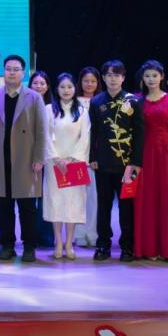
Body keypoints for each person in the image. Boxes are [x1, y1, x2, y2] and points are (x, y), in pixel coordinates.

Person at [0, 55, 49, 263]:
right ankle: (7, 244)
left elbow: (41, 131)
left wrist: (39, 157)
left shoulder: (34, 97)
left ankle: (29, 246)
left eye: (16, 69)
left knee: (27, 206)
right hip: (0, 157)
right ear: (4, 71)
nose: (12, 73)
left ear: (23, 73)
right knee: (4, 205)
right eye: (8, 69)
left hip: (25, 157)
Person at [89, 60, 144, 262]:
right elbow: (92, 133)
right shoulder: (96, 102)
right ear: (103, 78)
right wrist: (92, 157)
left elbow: (139, 134)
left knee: (126, 207)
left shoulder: (133, 101)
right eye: (109, 75)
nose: (113, 79)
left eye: (117, 75)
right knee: (103, 206)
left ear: (123, 77)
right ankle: (103, 244)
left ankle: (127, 246)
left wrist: (136, 162)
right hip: (102, 163)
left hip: (127, 165)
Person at [132, 60, 168, 261]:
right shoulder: (137, 100)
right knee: (146, 199)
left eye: (154, 75)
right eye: (147, 76)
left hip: (164, 153)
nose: (151, 79)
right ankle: (148, 248)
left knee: (165, 197)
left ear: (162, 77)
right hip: (145, 153)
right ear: (143, 78)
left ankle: (166, 248)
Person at [43, 73, 91, 260]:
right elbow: (45, 136)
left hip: (74, 164)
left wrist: (72, 159)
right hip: (54, 164)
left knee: (73, 203)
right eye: (62, 87)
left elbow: (85, 137)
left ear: (75, 88)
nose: (66, 90)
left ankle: (69, 243)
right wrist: (56, 158)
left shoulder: (82, 111)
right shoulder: (48, 109)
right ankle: (58, 242)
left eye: (69, 87)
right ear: (56, 89)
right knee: (55, 202)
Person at [73, 66, 102, 249]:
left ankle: (92, 233)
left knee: (94, 196)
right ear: (80, 82)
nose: (89, 84)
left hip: (95, 156)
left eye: (93, 81)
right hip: (76, 155)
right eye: (86, 81)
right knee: (77, 196)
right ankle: (78, 234)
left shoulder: (102, 101)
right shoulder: (73, 101)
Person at [28, 71, 55, 248]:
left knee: (46, 198)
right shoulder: (24, 105)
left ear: (47, 86)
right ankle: (31, 235)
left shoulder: (54, 108)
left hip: (50, 158)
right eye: (35, 83)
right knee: (30, 197)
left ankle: (46, 236)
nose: (38, 86)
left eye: (42, 83)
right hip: (29, 157)